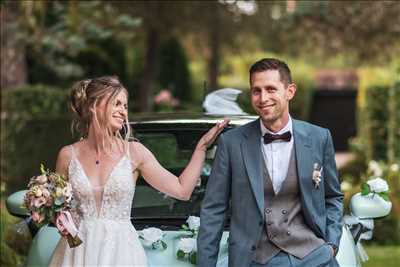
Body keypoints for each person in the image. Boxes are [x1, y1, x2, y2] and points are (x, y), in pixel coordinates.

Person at [49, 76, 228, 266]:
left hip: (120, 254)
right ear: (94, 105)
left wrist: (201, 147)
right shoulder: (67, 155)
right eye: (117, 104)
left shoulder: (134, 152)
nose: (122, 112)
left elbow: (182, 190)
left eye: (125, 106)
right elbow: (57, 209)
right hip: (76, 253)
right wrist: (45, 205)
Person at [198, 58, 343, 267]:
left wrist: (331, 245)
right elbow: (213, 210)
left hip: (314, 258)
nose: (263, 98)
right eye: (256, 91)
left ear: (290, 91)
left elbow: (333, 197)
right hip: (254, 260)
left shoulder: (319, 138)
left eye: (271, 89)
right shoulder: (232, 143)